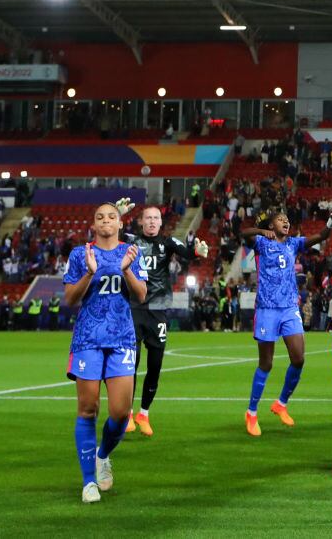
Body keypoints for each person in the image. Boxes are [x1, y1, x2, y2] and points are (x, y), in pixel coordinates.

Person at [63, 202, 148, 503]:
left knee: (121, 412)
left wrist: (126, 271)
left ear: (120, 223)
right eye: (99, 217)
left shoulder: (132, 253)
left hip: (122, 338)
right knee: (88, 409)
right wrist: (88, 273)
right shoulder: (79, 254)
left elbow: (141, 295)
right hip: (88, 338)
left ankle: (102, 455)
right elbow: (70, 299)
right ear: (94, 224)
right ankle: (88, 483)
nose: (105, 221)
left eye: (111, 216)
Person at [240, 208, 332, 436]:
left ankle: (281, 403)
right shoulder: (262, 243)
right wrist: (261, 231)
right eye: (280, 220)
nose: (286, 222)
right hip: (267, 308)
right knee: (266, 363)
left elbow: (322, 236)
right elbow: (244, 233)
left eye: (287, 219)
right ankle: (252, 412)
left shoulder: (293, 243)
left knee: (298, 358)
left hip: (289, 308)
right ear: (272, 225)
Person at [121, 202, 209, 436]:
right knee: (132, 363)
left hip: (158, 309)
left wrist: (197, 252)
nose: (151, 221)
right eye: (147, 218)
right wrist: (117, 215)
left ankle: (144, 413)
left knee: (155, 365)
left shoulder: (168, 243)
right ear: (141, 221)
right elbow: (109, 233)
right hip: (133, 307)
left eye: (155, 218)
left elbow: (187, 253)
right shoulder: (131, 240)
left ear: (161, 223)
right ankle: (127, 414)